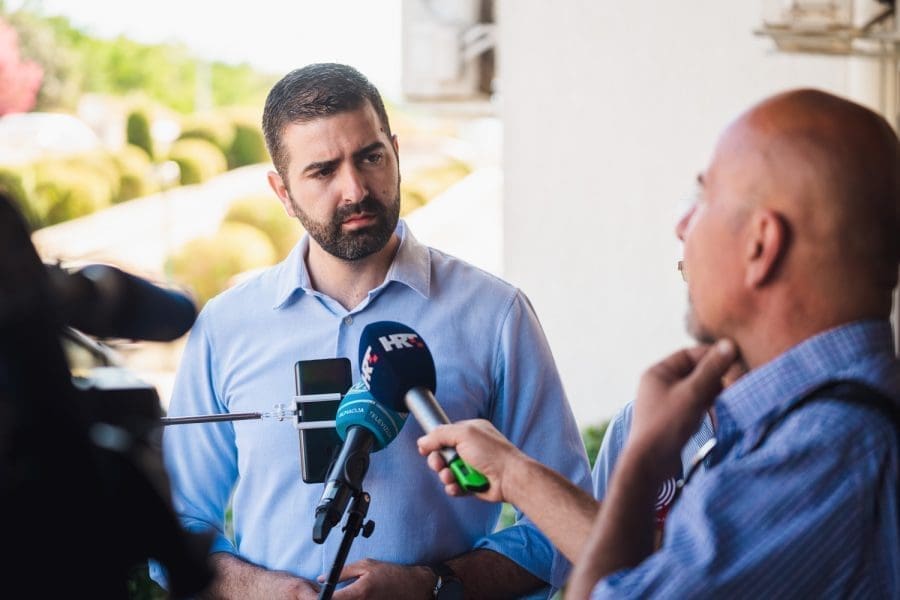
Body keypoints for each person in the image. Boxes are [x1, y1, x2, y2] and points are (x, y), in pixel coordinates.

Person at [418, 88, 900, 599]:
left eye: (703, 200)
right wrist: (516, 474)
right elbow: (662, 567)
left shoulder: (822, 452)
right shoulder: (829, 431)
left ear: (761, 245)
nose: (682, 226)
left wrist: (645, 458)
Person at [152, 63, 592, 599]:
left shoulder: (497, 315)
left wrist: (431, 587)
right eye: (322, 171)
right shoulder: (226, 327)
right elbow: (175, 526)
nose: (355, 189)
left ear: (396, 154)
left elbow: (563, 532)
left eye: (370, 157)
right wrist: (261, 590)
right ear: (282, 191)